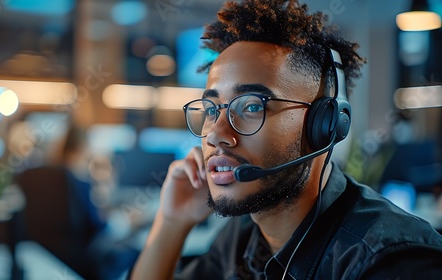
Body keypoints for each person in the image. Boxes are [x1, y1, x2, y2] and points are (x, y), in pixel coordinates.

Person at [130, 0, 442, 279]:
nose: (216, 134)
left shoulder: (392, 260)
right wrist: (172, 222)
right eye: (211, 109)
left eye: (252, 106)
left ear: (324, 124)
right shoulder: (242, 237)